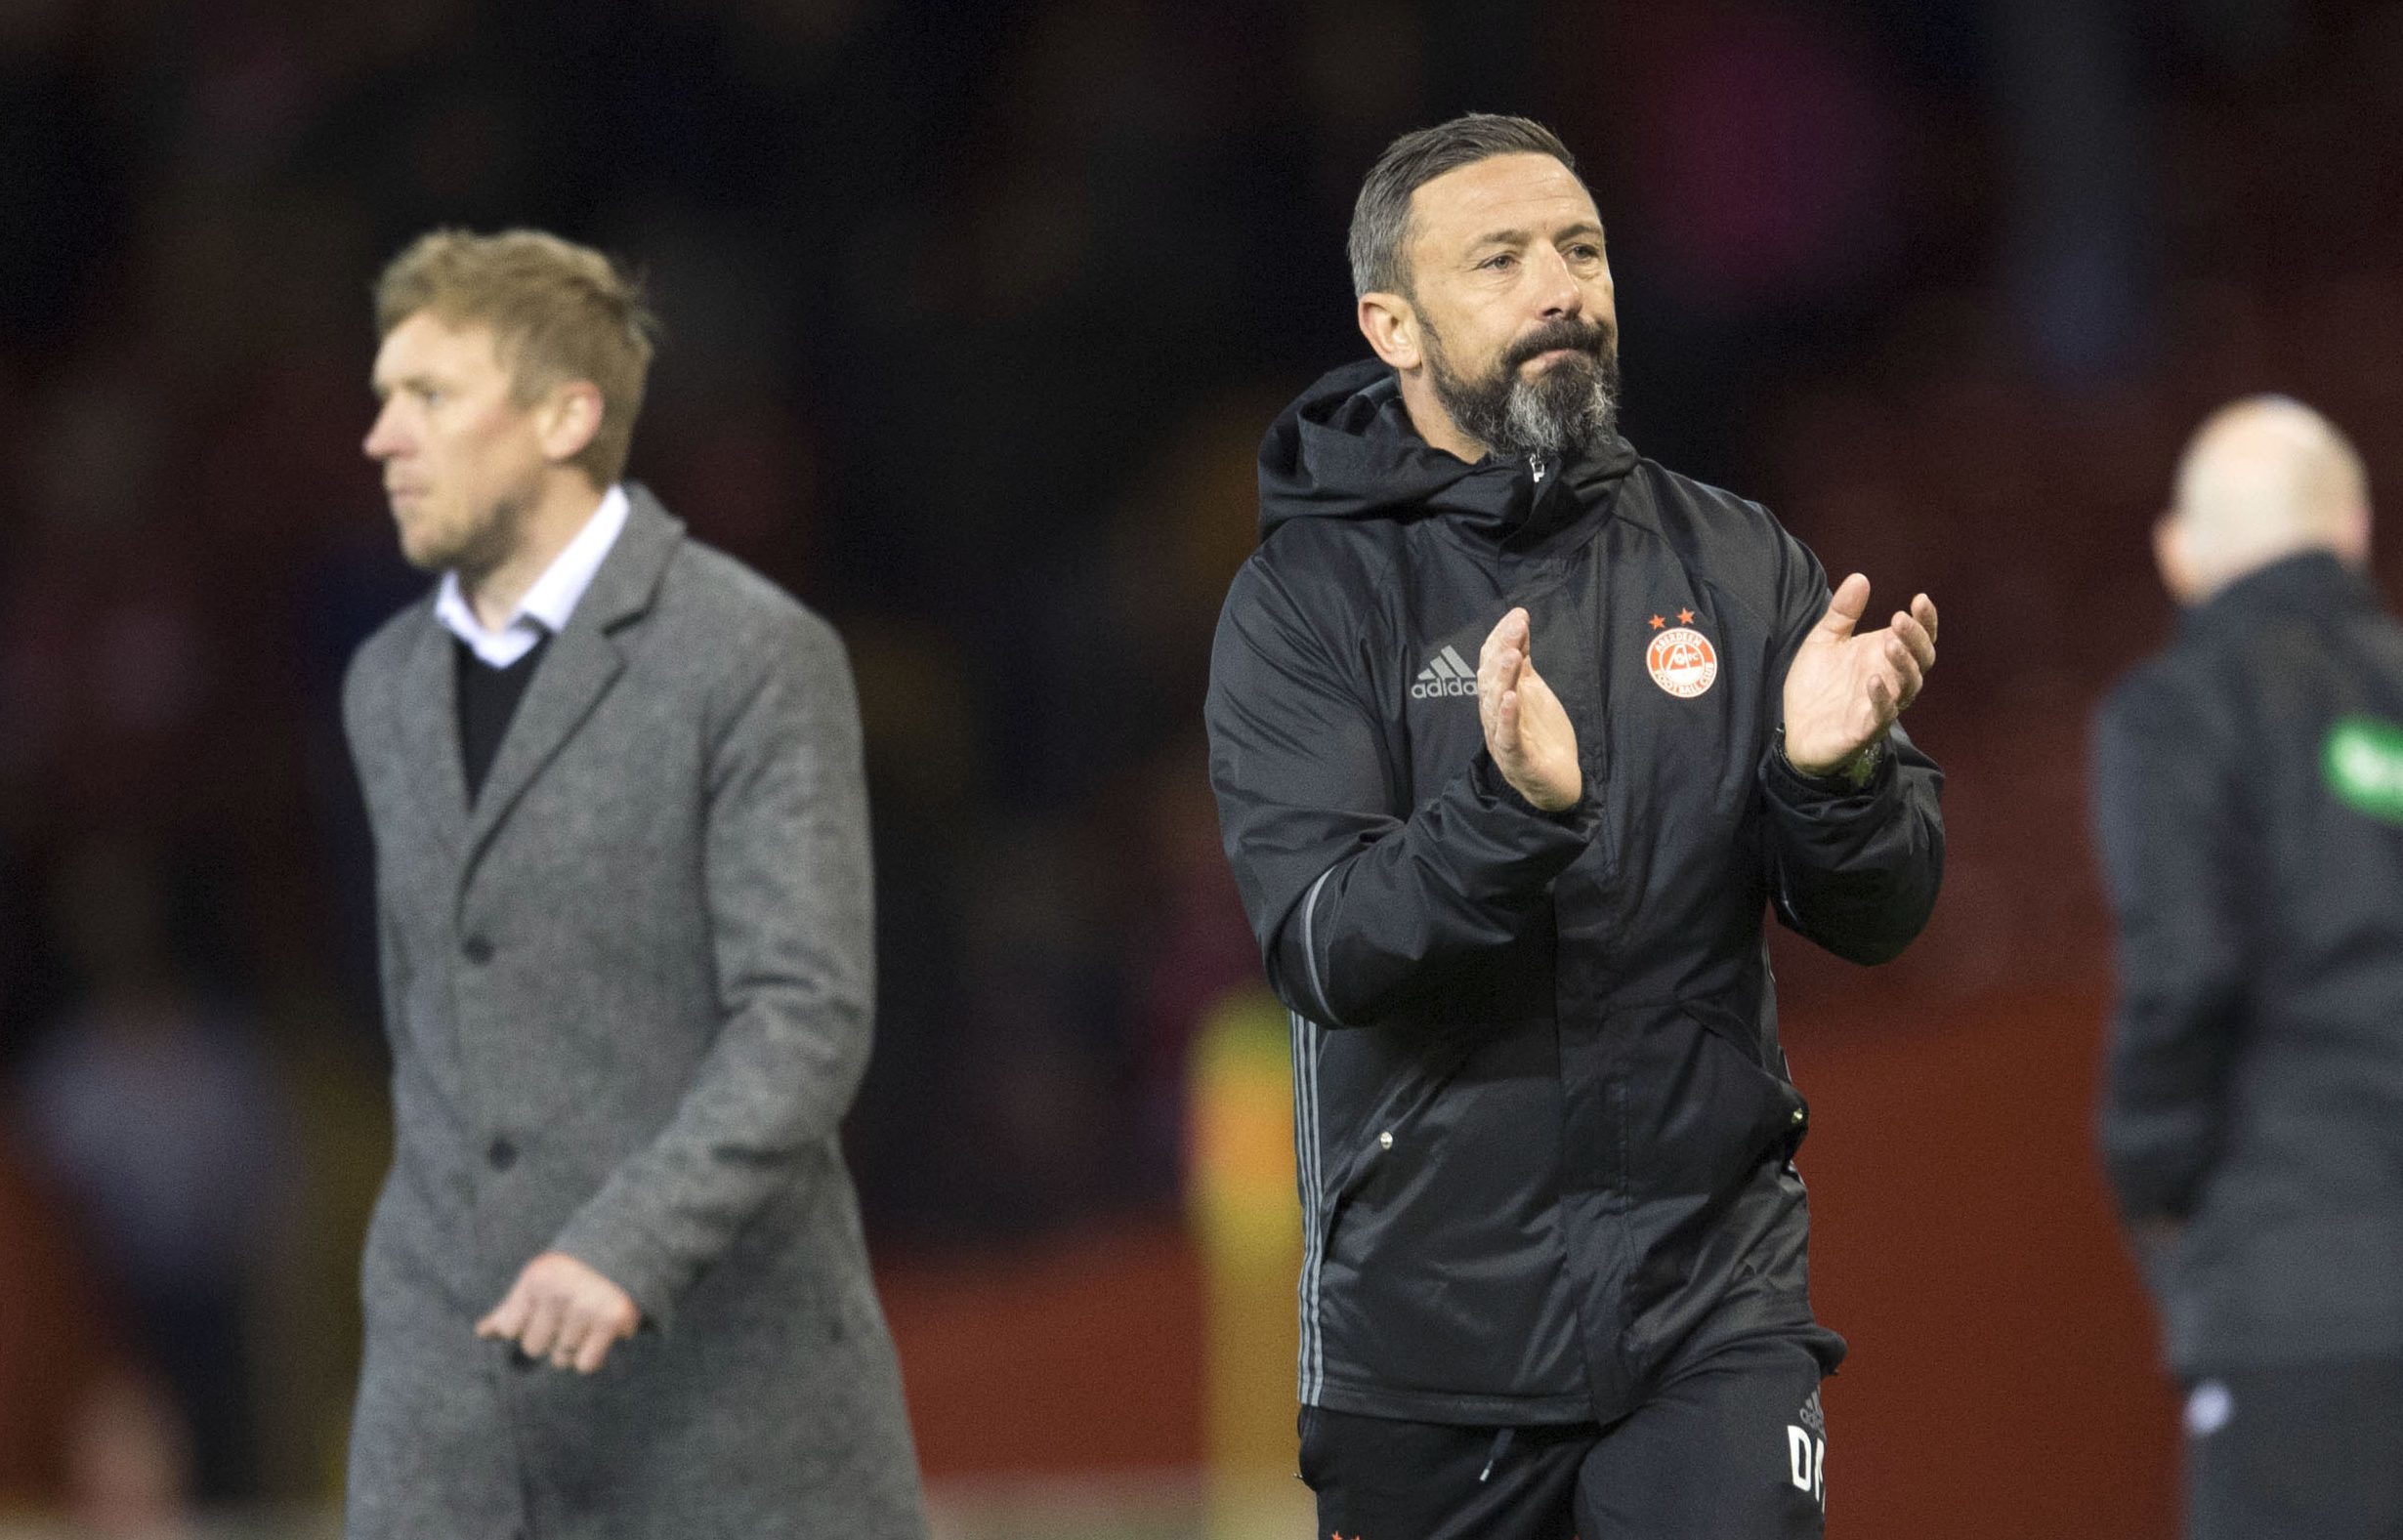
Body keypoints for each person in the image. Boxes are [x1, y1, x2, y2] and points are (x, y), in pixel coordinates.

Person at [1204, 114, 1945, 1539]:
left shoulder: (1738, 558)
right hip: (1427, 1356)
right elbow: (1322, 944)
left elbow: (1886, 910)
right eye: (1502, 259)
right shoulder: (1303, 603)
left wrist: (1833, 780)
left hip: (1709, 1314)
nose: (1562, 286)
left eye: (1584, 249)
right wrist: (1506, 815)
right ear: (1394, 327)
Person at [341, 229, 926, 1540]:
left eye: (427, 396)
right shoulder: (380, 683)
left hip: (721, 1419)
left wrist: (627, 1242)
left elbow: (805, 1017)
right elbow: (430, 1025)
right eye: (383, 397)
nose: (382, 437)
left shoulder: (752, 654)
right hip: (447, 1431)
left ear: (566, 413)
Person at [2091, 396, 2403, 1539]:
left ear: (2181, 553)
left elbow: (2186, 977)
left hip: (2302, 1292)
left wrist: (2150, 1178)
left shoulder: (2176, 711)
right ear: (2356, 526)